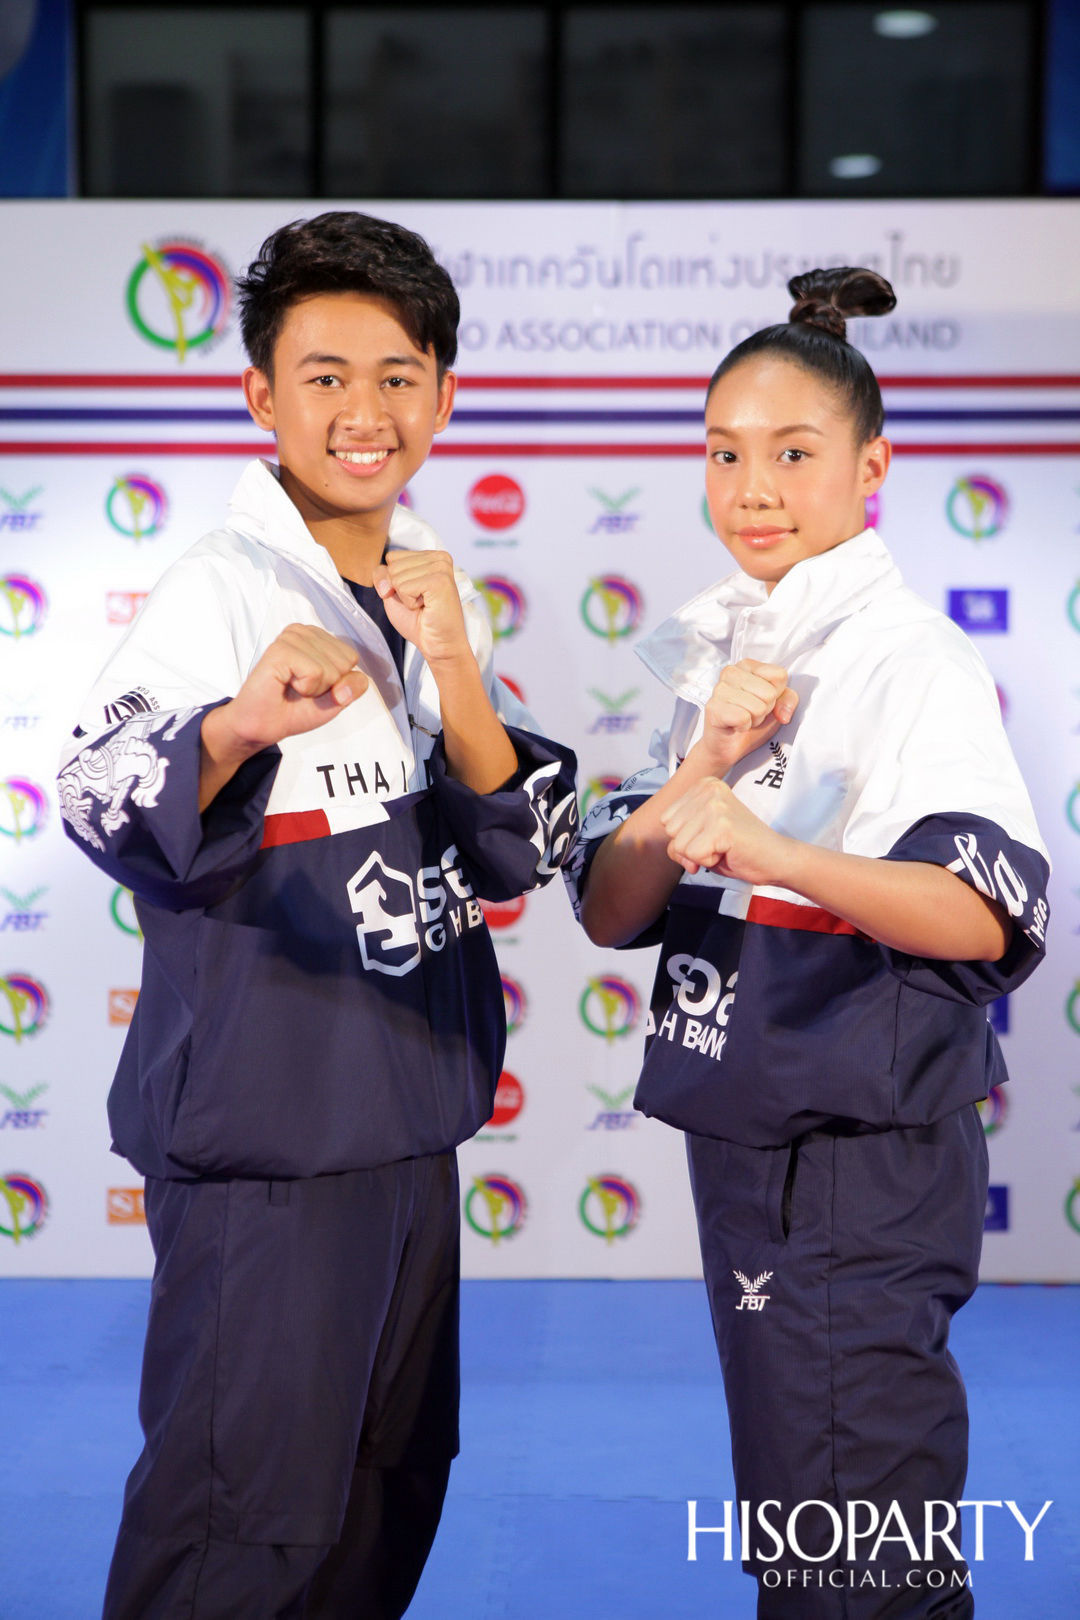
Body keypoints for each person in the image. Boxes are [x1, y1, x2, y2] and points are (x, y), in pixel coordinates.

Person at [57, 211, 577, 1620]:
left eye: (399, 375)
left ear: (445, 397)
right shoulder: (222, 591)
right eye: (327, 374)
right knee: (243, 1530)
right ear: (261, 398)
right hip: (273, 1142)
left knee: (383, 1502)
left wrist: (458, 669)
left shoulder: (422, 597)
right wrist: (233, 723)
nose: (367, 410)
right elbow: (96, 795)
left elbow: (526, 851)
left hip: (406, 1132)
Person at [564, 268, 1049, 1617]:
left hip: (856, 1152)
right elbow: (616, 910)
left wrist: (778, 850)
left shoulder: (910, 661)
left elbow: (985, 916)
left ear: (872, 467)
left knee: (859, 1555)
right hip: (756, 1137)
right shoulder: (727, 647)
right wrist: (704, 764)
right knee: (807, 1530)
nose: (753, 487)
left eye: (793, 452)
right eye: (725, 453)